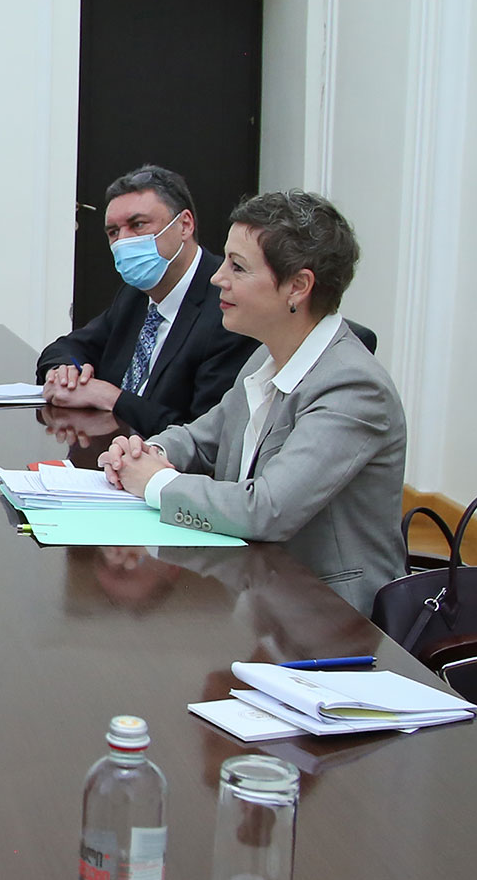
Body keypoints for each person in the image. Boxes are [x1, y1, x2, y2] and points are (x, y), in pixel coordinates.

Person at [99, 191, 403, 612]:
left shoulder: (353, 386)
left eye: (237, 267)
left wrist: (155, 482)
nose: (216, 277)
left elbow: (267, 509)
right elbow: (203, 438)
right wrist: (147, 452)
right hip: (254, 592)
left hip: (330, 616)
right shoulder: (265, 355)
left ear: (298, 286)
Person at [39, 164, 254, 434]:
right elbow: (67, 347)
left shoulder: (228, 304)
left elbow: (206, 436)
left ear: (185, 225)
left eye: (137, 225)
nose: (123, 242)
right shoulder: (136, 294)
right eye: (113, 232)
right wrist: (64, 371)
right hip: (107, 445)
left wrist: (111, 398)